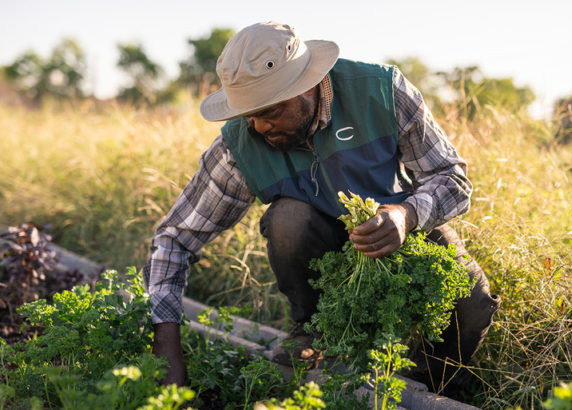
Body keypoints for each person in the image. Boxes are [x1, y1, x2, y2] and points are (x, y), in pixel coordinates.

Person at [142, 21, 501, 396]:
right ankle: (313, 333)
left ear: (307, 85)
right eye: (248, 113)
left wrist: (405, 216)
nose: (259, 125)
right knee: (287, 220)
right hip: (318, 248)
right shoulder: (238, 147)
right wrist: (167, 345)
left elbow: (452, 179)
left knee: (471, 300)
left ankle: (431, 386)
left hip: (395, 229)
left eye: (271, 110)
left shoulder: (381, 91)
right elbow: (175, 239)